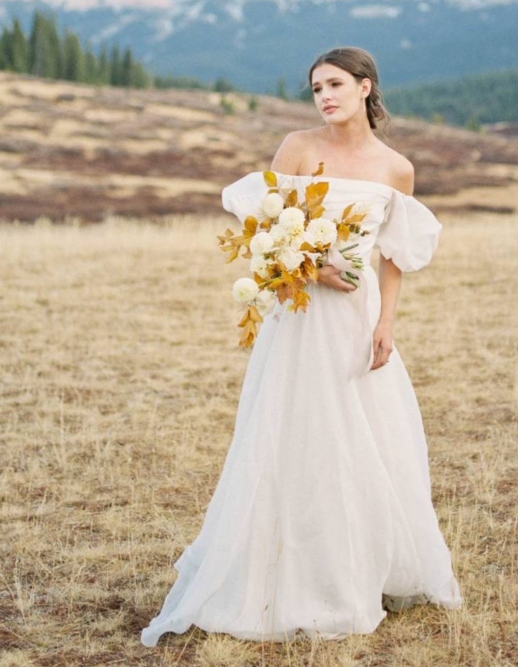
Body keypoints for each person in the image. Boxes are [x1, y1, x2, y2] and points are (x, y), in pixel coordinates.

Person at [140, 46, 462, 647]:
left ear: (366, 87)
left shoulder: (396, 168)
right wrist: (309, 268)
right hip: (301, 317)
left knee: (365, 439)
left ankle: (361, 568)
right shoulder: (297, 147)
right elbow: (261, 226)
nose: (325, 97)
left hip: (357, 319)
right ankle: (279, 574)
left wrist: (387, 321)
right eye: (316, 88)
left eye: (335, 84)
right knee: (293, 433)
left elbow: (393, 255)